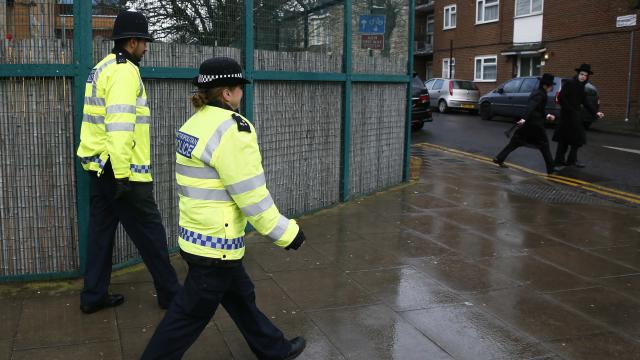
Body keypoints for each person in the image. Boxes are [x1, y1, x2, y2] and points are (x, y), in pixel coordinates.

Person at [141, 57, 307, 360]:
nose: (243, 93)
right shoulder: (233, 131)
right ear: (227, 93)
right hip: (217, 246)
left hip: (197, 237)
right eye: (239, 88)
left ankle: (275, 350)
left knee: (241, 296)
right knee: (187, 316)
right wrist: (286, 233)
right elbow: (251, 196)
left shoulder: (193, 124)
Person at [76, 10, 180, 314]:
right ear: (132, 42)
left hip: (98, 167)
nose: (146, 48)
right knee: (151, 233)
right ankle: (172, 295)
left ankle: (93, 296)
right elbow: (119, 127)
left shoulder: (101, 68)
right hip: (121, 172)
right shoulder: (124, 72)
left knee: (100, 234)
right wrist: (122, 176)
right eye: (144, 42)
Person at [493, 73, 559, 175]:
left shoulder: (538, 92)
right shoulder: (540, 94)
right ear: (545, 85)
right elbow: (531, 107)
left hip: (529, 123)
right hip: (535, 125)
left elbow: (538, 109)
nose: (552, 88)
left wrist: (547, 115)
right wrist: (524, 118)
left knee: (516, 141)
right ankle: (551, 169)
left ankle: (499, 158)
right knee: (544, 145)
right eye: (551, 86)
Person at [552, 63, 604, 167]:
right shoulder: (570, 83)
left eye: (585, 75)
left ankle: (571, 160)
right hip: (567, 117)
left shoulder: (582, 87)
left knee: (577, 140)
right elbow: (561, 98)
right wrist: (570, 110)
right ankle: (558, 162)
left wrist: (596, 112)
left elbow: (586, 102)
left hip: (575, 117)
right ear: (578, 74)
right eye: (582, 74)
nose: (583, 76)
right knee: (564, 141)